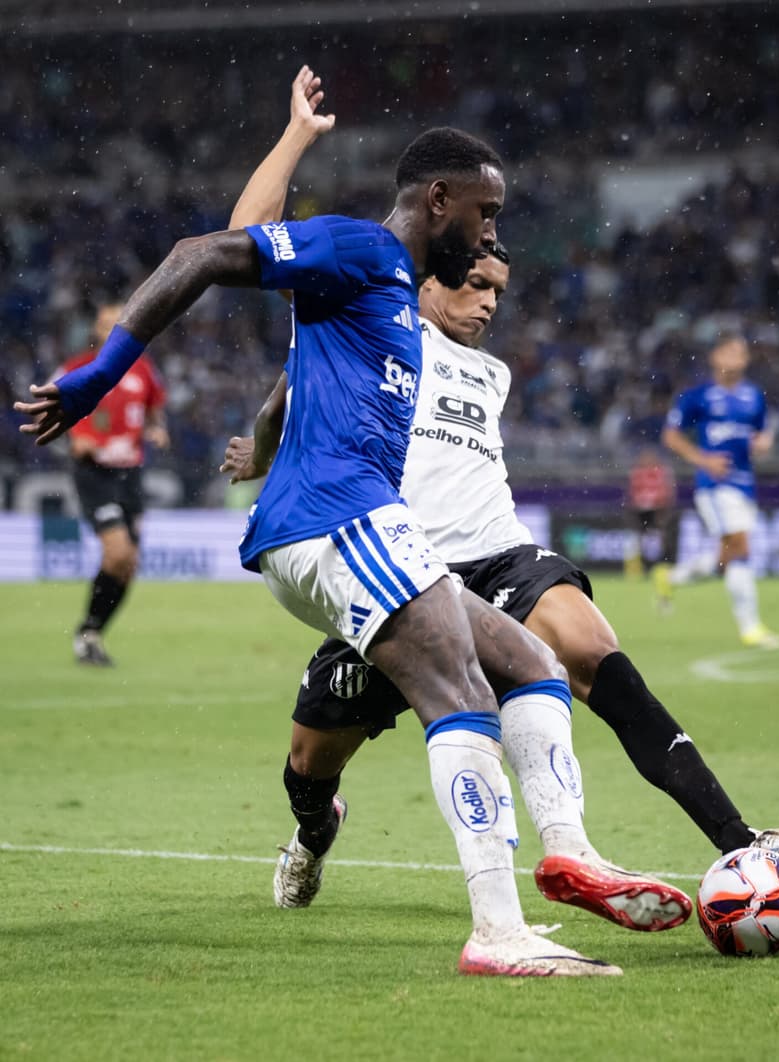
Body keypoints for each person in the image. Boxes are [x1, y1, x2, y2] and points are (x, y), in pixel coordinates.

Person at [15, 76, 623, 978]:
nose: (494, 236)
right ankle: (498, 931)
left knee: (529, 664)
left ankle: (573, 854)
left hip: (349, 527)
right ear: (439, 201)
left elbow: (256, 259)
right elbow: (202, 251)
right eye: (486, 214)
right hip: (338, 523)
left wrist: (262, 444)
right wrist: (101, 373)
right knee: (459, 690)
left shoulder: (389, 302)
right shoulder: (362, 250)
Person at [220, 89, 779, 928]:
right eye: (474, 281)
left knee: (592, 652)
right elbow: (271, 327)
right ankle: (313, 833)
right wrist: (260, 448)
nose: (486, 301)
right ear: (435, 272)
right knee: (309, 761)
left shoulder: (495, 374)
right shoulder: (378, 313)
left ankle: (741, 841)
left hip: (501, 558)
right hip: (398, 569)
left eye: (499, 292)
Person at [58, 300, 169, 665]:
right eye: (106, 324)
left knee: (129, 563)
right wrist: (75, 436)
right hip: (95, 473)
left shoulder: (143, 369)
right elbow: (49, 405)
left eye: (118, 323)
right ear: (95, 329)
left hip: (130, 474)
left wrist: (156, 429)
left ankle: (91, 634)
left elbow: (154, 409)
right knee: (117, 552)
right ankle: (86, 633)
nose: (112, 330)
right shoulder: (76, 367)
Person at [660, 333, 779, 648]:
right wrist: (703, 459)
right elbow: (671, 436)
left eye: (741, 353)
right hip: (715, 486)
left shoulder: (753, 396)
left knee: (725, 559)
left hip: (745, 484)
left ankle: (671, 578)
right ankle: (751, 628)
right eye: (729, 352)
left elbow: (763, 432)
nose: (736, 359)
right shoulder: (698, 396)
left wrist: (764, 442)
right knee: (741, 547)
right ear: (715, 356)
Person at [621, 444, 677, 602]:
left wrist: (662, 509)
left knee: (658, 539)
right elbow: (633, 493)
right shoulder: (638, 473)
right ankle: (635, 569)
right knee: (635, 539)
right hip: (640, 511)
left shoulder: (660, 472)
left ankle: (659, 567)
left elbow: (666, 492)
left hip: (656, 510)